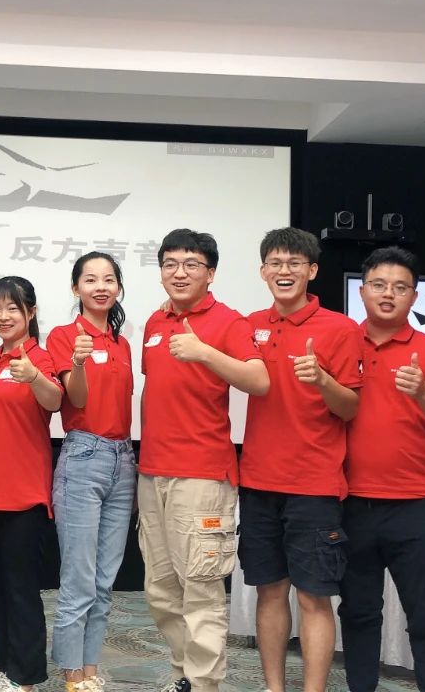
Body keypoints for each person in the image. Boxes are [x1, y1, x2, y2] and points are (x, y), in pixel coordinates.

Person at [138, 229, 269, 692]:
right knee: (160, 590)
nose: (179, 272)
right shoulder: (155, 322)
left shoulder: (228, 321)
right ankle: (185, 675)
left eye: (191, 264)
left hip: (203, 475)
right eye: (170, 264)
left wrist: (205, 352)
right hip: (153, 471)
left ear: (210, 273)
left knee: (200, 587)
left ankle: (203, 683)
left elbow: (259, 380)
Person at [239, 228, 362, 692]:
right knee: (269, 592)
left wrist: (323, 380)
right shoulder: (250, 325)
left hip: (313, 484)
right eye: (275, 262)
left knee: (314, 597)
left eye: (294, 263)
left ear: (312, 270)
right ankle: (275, 688)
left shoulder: (340, 328)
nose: (284, 271)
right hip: (258, 481)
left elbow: (350, 408)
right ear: (262, 271)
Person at [340, 246, 425, 692]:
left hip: (416, 506)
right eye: (378, 285)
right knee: (357, 615)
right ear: (362, 291)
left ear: (414, 296)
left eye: (399, 287)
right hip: (350, 503)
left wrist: (423, 392)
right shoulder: (341, 343)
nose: (388, 294)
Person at [45, 253, 135, 692]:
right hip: (83, 457)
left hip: (124, 460)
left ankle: (91, 667)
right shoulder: (64, 336)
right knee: (79, 579)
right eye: (90, 279)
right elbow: (75, 399)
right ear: (75, 287)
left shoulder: (122, 343)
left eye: (109, 279)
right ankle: (71, 672)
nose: (101, 287)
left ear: (118, 287)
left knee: (104, 581)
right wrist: (79, 362)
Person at [0, 276, 63, 692]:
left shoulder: (40, 358)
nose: (3, 316)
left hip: (24, 495)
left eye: (13, 308)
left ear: (31, 313)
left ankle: (25, 678)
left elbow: (55, 400)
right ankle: (6, 669)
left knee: (22, 590)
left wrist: (33, 376)